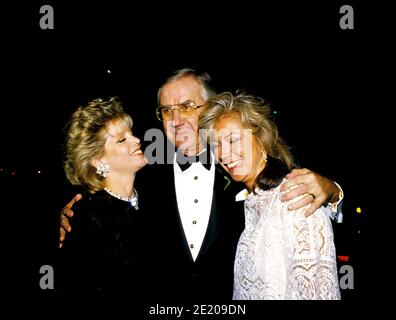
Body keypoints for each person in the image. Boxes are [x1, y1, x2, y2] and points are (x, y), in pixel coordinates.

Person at [59, 68, 343, 301]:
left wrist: (334, 191)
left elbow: (298, 192)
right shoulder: (141, 177)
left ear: (212, 108)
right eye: (166, 110)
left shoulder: (243, 168)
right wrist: (75, 214)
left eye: (186, 106)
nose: (176, 119)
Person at [200, 91, 341, 299]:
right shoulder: (246, 203)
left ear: (262, 139)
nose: (223, 154)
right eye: (217, 145)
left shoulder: (294, 197)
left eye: (234, 139)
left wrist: (335, 191)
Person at [58, 97, 147, 297]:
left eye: (131, 134)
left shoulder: (153, 195)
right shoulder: (86, 216)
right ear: (98, 161)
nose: (136, 140)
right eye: (123, 140)